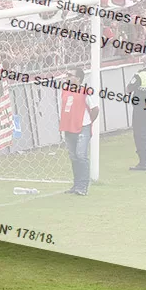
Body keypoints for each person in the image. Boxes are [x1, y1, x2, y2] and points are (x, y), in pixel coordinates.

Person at [57, 68, 96, 196]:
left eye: (70, 75)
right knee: (74, 157)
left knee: (81, 155)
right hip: (68, 128)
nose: (67, 77)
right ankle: (76, 184)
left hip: (82, 127)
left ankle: (83, 186)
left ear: (78, 78)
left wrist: (87, 122)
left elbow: (95, 109)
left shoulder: (85, 92)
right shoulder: (65, 90)